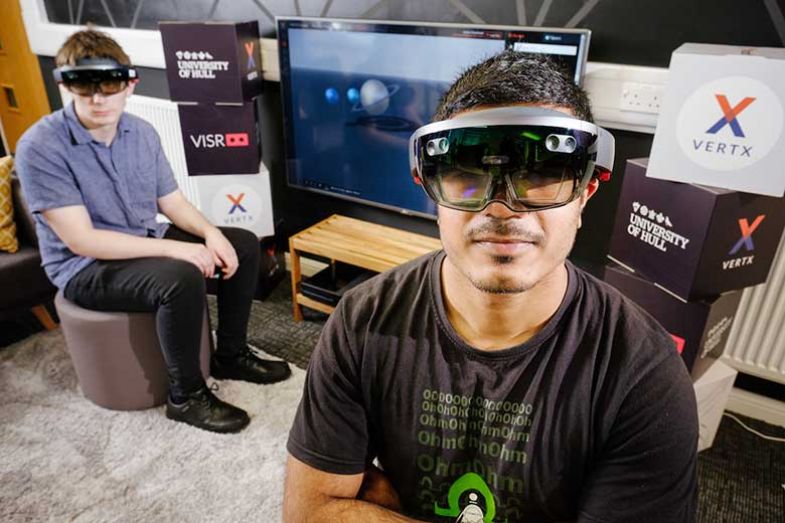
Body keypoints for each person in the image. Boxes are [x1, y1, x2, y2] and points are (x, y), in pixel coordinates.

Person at [283, 50, 698, 522]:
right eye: (467, 171)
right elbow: (308, 513)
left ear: (585, 193)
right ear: (430, 189)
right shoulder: (362, 321)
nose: (501, 208)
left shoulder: (640, 372)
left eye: (541, 172)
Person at [15, 29, 290, 434]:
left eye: (109, 86)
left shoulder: (142, 132)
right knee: (179, 277)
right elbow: (81, 240)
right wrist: (179, 251)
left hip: (145, 237)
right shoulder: (40, 146)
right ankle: (186, 396)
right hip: (84, 266)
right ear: (64, 85)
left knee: (244, 244)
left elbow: (172, 203)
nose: (98, 99)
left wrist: (211, 234)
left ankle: (230, 355)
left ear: (130, 84)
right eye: (84, 86)